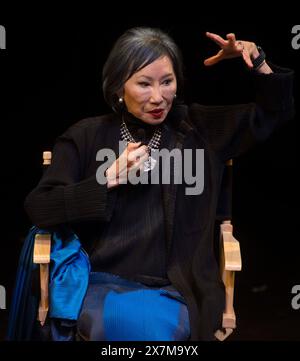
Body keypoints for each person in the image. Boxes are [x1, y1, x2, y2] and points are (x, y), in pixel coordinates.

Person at [23, 27, 294, 341]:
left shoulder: (198, 129)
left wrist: (258, 59)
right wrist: (106, 180)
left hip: (179, 287)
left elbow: (275, 113)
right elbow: (40, 206)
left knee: (147, 330)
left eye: (167, 82)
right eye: (143, 83)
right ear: (118, 89)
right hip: (101, 282)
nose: (158, 97)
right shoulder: (87, 136)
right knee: (124, 326)